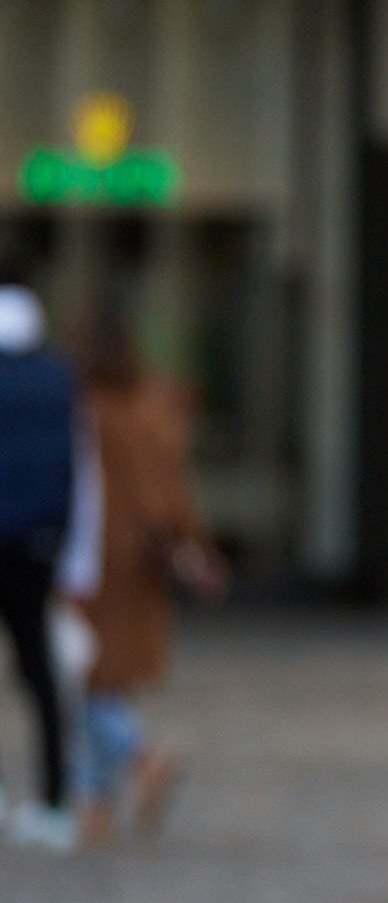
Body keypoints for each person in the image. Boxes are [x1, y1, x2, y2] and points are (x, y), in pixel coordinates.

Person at [68, 302, 224, 845]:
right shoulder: (152, 404)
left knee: (85, 677)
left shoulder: (87, 406)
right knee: (104, 677)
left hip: (93, 558)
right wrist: (196, 547)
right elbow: (173, 490)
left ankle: (139, 754)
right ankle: (94, 801)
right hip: (140, 559)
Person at [0, 258, 79, 852]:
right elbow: (85, 470)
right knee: (40, 674)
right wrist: (76, 554)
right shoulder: (58, 375)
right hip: (37, 543)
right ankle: (55, 802)